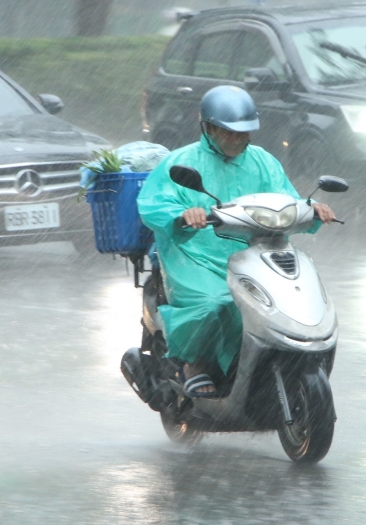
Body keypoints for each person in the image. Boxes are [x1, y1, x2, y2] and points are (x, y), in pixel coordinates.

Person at [137, 85, 336, 397]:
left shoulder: (263, 161)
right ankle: (195, 363)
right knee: (218, 303)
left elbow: (285, 200)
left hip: (253, 254)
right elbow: (153, 203)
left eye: (243, 133)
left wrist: (311, 211)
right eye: (228, 132)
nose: (237, 140)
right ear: (209, 128)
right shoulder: (181, 162)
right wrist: (183, 214)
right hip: (194, 255)